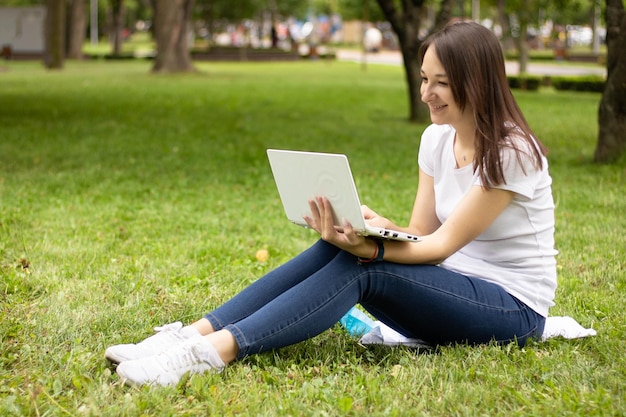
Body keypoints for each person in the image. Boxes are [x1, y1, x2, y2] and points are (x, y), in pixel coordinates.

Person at [105, 21, 558, 387]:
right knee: (338, 247)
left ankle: (209, 354)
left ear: (476, 84)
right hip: (453, 285)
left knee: (370, 268)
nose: (425, 94)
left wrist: (375, 251)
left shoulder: (512, 153)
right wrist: (378, 229)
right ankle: (191, 334)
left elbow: (438, 247)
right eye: (424, 79)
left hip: (513, 309)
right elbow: (421, 234)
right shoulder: (436, 140)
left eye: (441, 83)